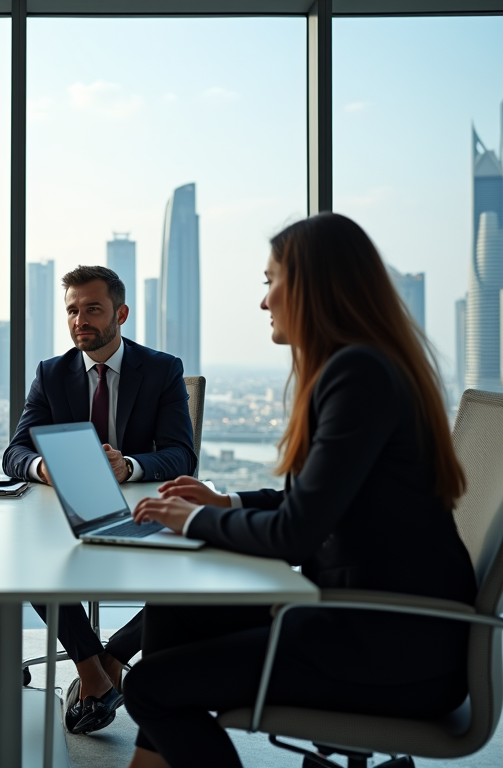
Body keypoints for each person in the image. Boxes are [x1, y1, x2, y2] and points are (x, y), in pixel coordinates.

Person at [122, 212, 477, 768]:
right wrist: (228, 503)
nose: (264, 302)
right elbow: (321, 501)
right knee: (174, 608)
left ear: (312, 285)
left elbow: (296, 534)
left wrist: (187, 521)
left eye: (270, 281)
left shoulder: (356, 373)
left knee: (148, 686)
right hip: (379, 620)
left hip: (392, 647)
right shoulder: (364, 365)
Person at [2, 265, 197, 735]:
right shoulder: (51, 374)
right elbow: (15, 453)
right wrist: (45, 467)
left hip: (140, 505)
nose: (79, 320)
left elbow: (181, 454)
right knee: (26, 561)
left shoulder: (162, 369)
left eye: (92, 308)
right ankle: (93, 671)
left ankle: (113, 654)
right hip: (68, 511)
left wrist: (128, 465)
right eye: (72, 310)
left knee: (193, 577)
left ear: (121, 313)